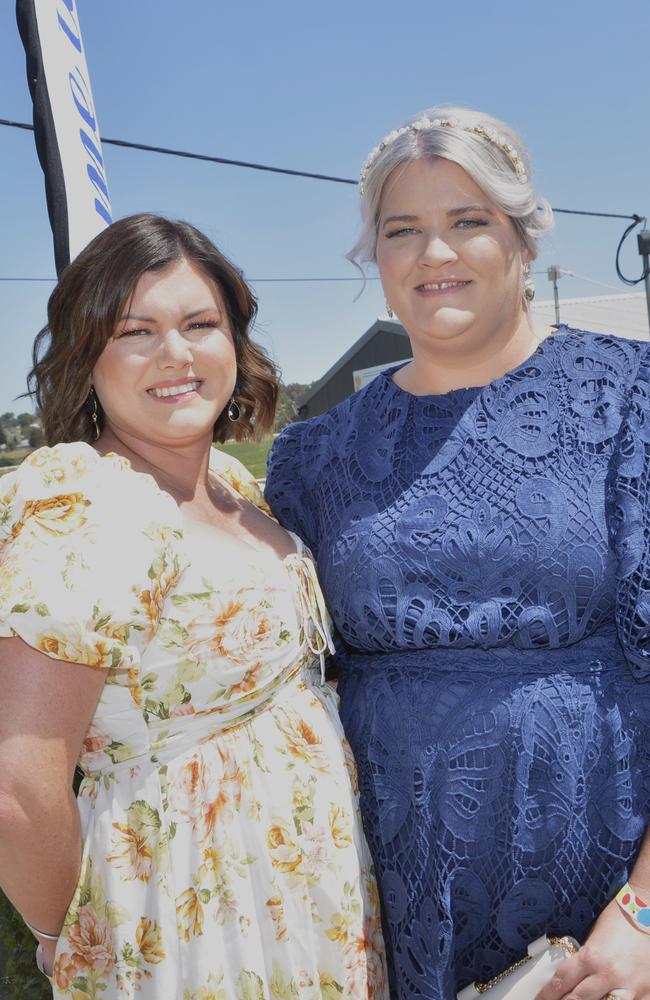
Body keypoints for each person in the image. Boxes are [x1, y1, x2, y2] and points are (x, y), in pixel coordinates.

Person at [265, 106, 650, 998]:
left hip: (606, 897)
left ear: (524, 239)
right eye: (404, 231)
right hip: (382, 891)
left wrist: (642, 911)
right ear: (377, 260)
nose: (434, 254)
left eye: (467, 221)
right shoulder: (314, 457)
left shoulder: (631, 398)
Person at [0, 213, 388, 999]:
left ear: (235, 343)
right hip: (187, 919)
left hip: (307, 897)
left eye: (199, 324)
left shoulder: (237, 491)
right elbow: (17, 785)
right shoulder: (84, 503)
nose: (175, 354)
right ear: (88, 357)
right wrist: (65, 940)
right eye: (135, 331)